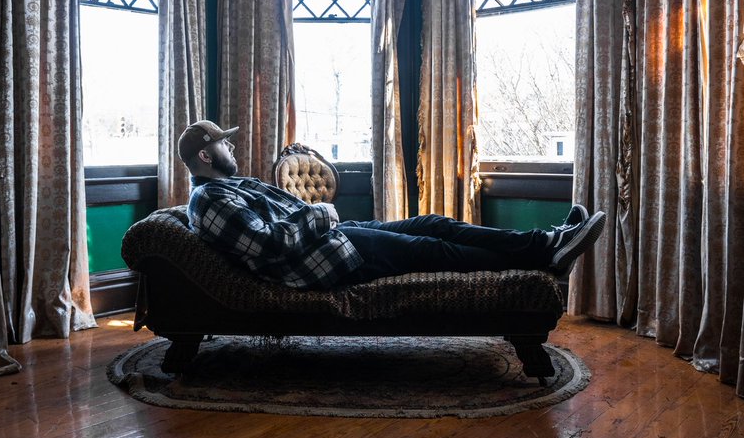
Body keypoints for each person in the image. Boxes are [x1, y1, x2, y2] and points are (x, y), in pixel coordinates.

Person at [177, 120, 606, 291]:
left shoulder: (230, 188)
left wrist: (322, 220)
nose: (231, 145)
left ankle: (546, 242)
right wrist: (321, 212)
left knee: (433, 223)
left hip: (333, 240)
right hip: (327, 259)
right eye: (223, 142)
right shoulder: (210, 200)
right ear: (205, 155)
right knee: (432, 251)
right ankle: (545, 256)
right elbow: (270, 244)